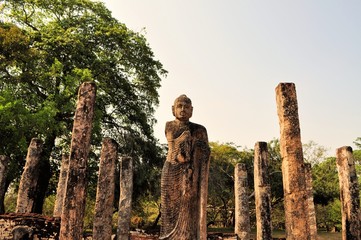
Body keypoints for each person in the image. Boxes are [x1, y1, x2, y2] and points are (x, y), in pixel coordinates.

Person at [160, 94, 210, 240]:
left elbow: (205, 152)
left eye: (186, 107)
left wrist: (202, 148)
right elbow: (178, 149)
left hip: (189, 173)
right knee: (168, 208)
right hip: (170, 169)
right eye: (179, 106)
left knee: (188, 206)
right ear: (173, 109)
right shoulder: (169, 126)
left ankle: (188, 237)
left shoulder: (200, 129)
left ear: (192, 110)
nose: (183, 109)